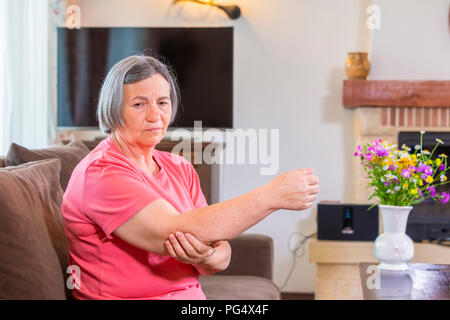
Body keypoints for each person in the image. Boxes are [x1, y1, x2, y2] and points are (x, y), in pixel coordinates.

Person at [61, 55, 319, 300]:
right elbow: (170, 232)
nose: (155, 115)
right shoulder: (102, 173)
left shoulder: (179, 167)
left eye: (162, 102)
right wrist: (271, 196)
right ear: (114, 109)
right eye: (139, 104)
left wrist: (205, 255)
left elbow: (221, 252)